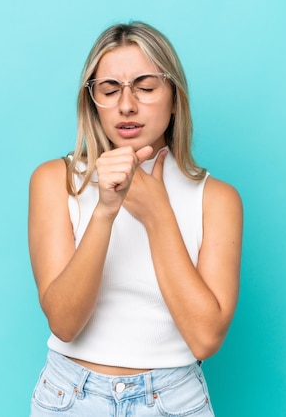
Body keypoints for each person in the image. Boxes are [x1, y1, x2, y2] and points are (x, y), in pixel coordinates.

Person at [28, 21, 243, 416]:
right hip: (71, 397)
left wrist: (158, 213)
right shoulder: (56, 181)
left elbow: (205, 339)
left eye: (145, 87)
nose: (127, 105)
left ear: (175, 98)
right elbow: (64, 322)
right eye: (109, 90)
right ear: (92, 101)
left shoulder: (217, 199)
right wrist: (105, 210)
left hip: (173, 399)